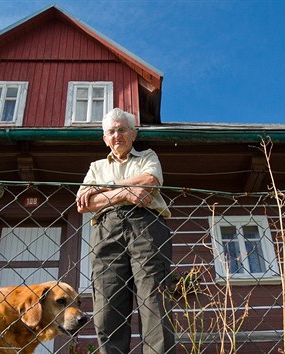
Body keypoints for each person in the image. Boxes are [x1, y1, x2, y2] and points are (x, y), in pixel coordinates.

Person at [76, 108, 175, 354]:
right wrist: (123, 193)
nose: (117, 135)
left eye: (122, 129)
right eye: (111, 131)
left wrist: (106, 188)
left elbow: (150, 181)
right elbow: (84, 203)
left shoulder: (147, 157)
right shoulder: (96, 166)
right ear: (104, 138)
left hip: (147, 225)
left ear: (133, 133)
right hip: (106, 230)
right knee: (107, 303)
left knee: (153, 299)